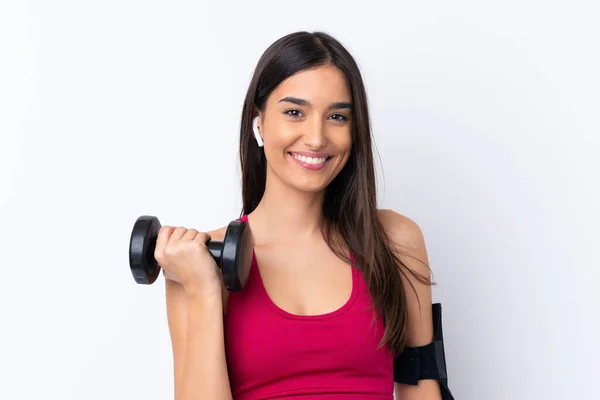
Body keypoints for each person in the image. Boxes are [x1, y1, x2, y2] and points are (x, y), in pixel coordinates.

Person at [155, 31, 452, 400]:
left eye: (337, 117)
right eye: (294, 112)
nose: (315, 138)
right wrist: (202, 289)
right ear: (258, 123)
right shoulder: (199, 261)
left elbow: (420, 388)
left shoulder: (394, 240)